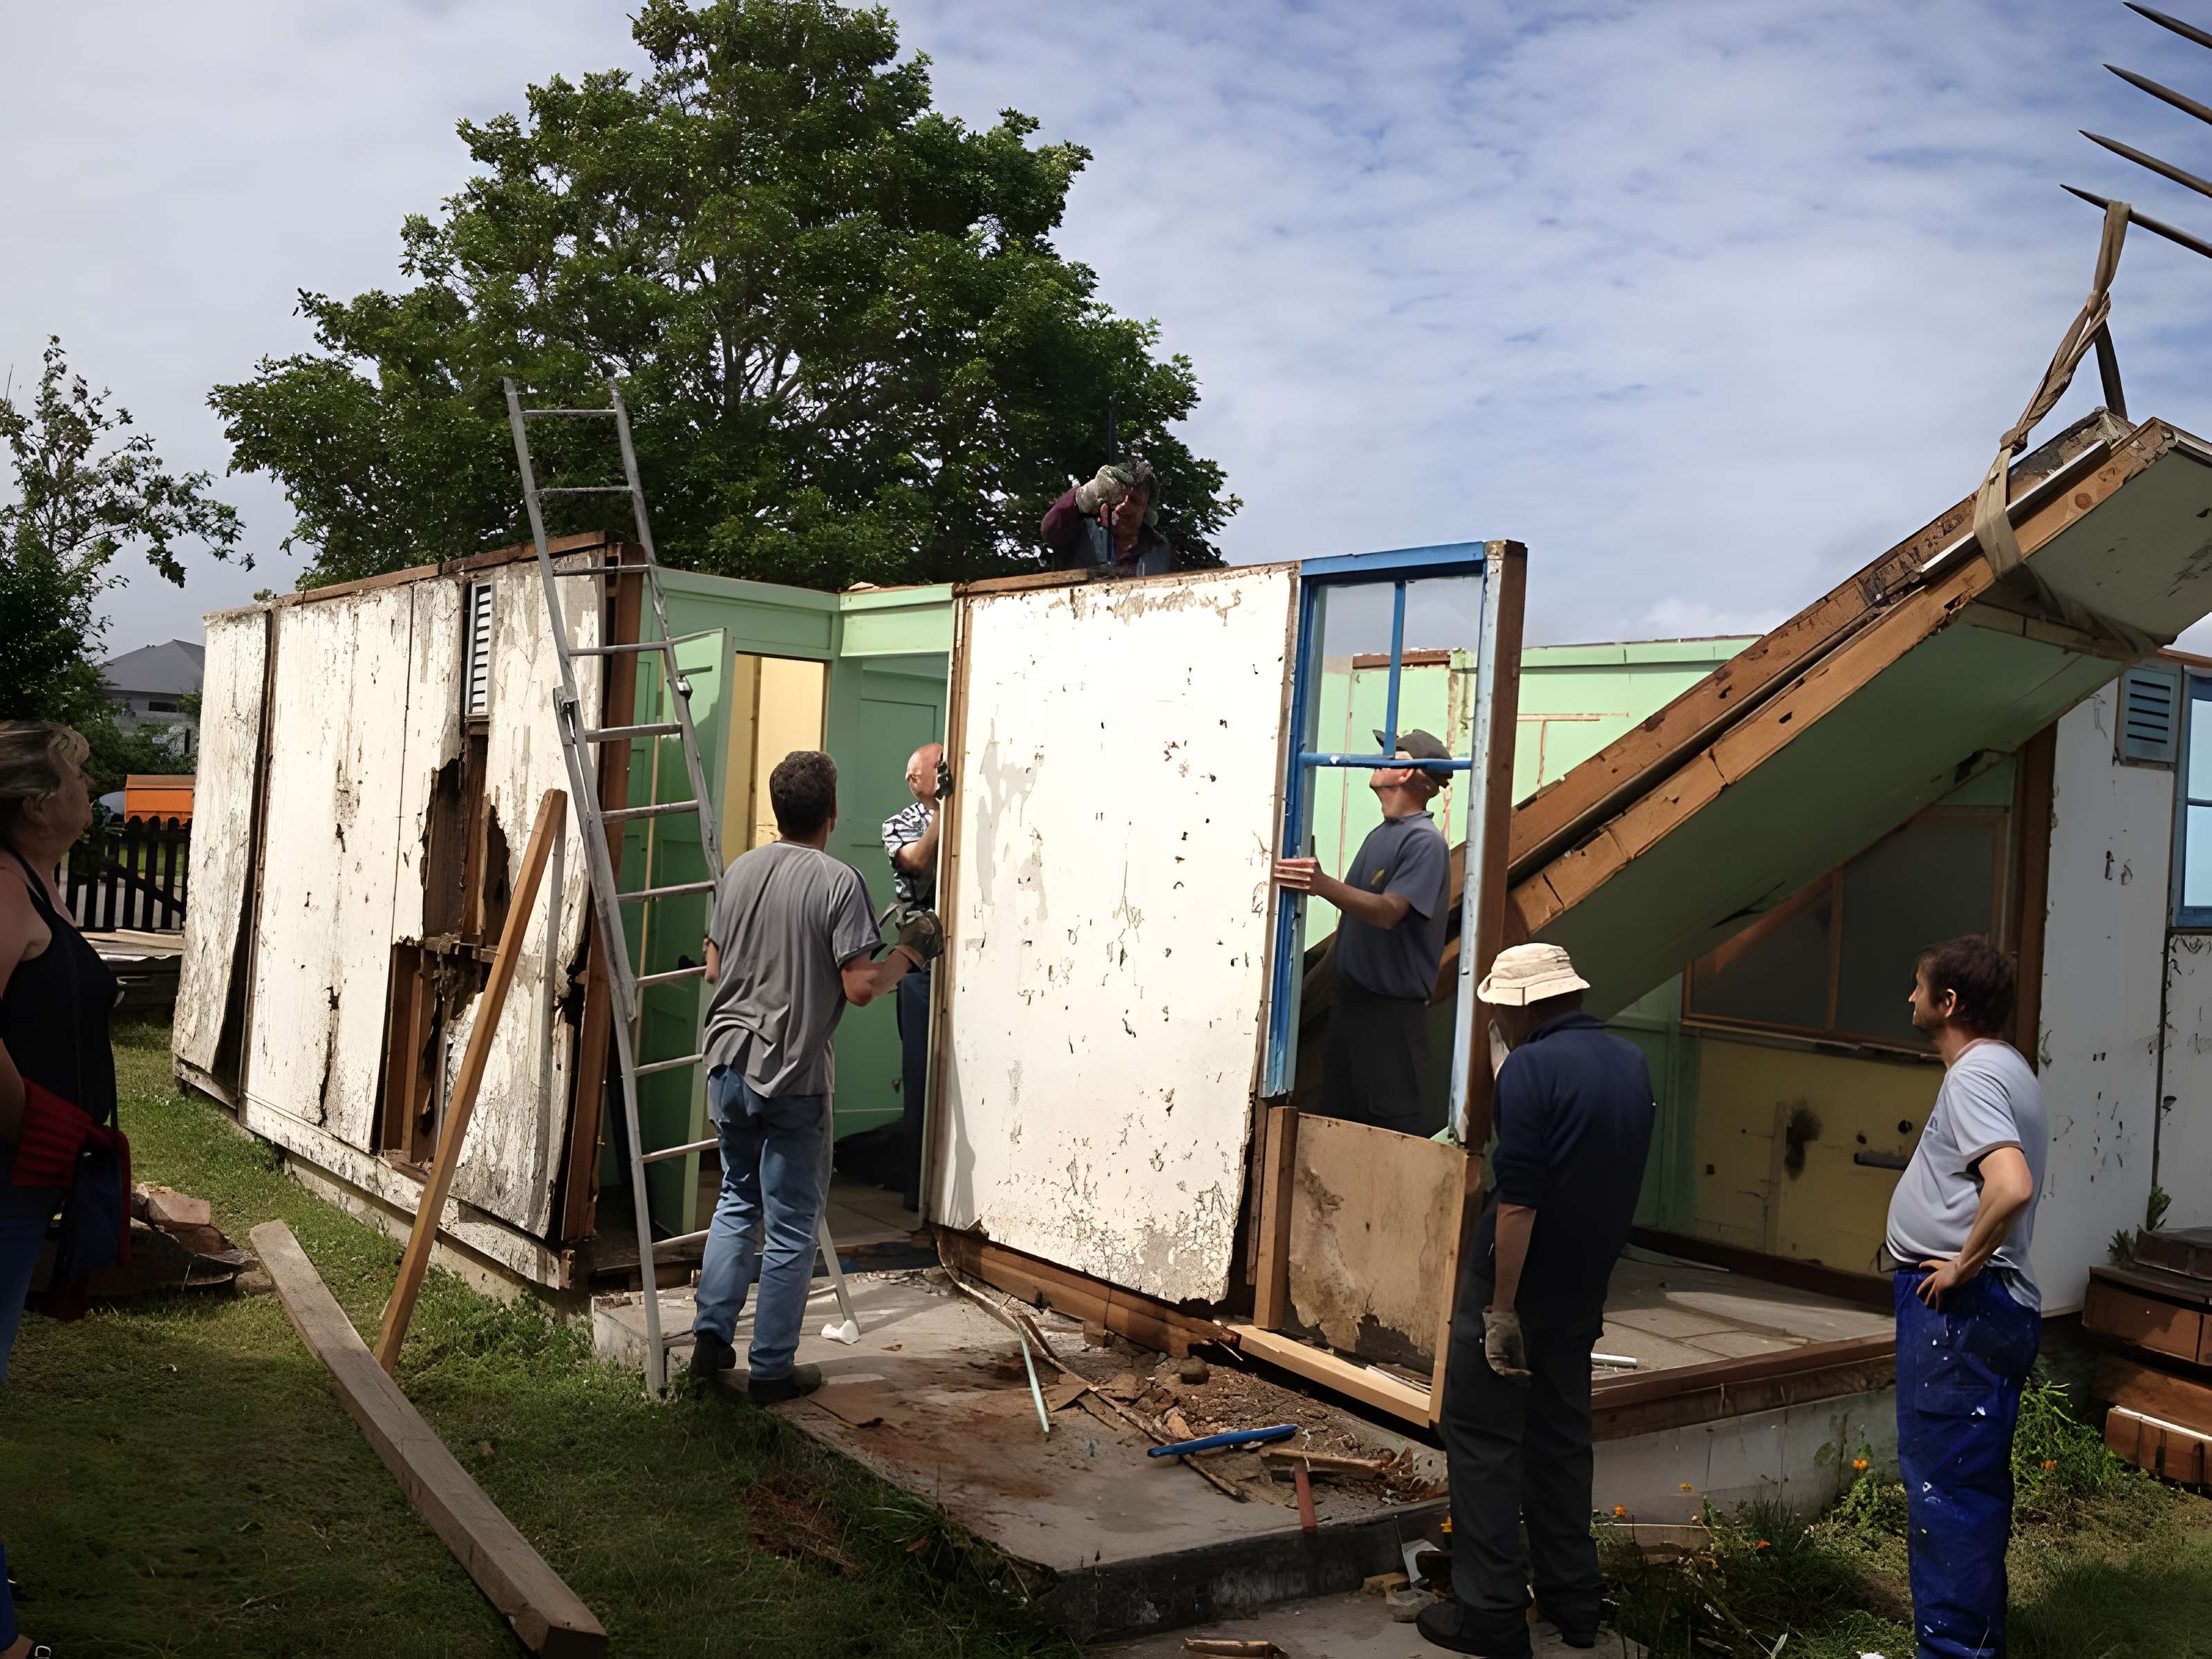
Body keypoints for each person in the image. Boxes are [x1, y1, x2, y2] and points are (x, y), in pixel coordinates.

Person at [1421, 942, 1653, 1658]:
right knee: (1559, 1440)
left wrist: (1499, 1308)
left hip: (1520, 1282)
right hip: (1581, 1286)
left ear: (1519, 1006)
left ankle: (1489, 1615)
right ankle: (1574, 1604)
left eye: (1499, 1007)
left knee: (1485, 1439)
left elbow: (1518, 1200)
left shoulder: (1530, 1067)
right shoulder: (1630, 1063)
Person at [690, 749, 937, 1400]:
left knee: (737, 1200)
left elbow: (715, 970)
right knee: (794, 1223)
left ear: (779, 813)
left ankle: (710, 1342)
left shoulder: (739, 872)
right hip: (791, 1075)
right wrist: (912, 951)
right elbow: (861, 988)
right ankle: (771, 1371)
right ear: (830, 814)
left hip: (726, 1064)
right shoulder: (838, 881)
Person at [1884, 935, 2045, 1659]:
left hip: (1961, 1314)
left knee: (1947, 1492)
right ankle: (1969, 1643)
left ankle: (1954, 1652)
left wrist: (1958, 1267)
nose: (1908, 1001)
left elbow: (2009, 1184)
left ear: (1946, 1003)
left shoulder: (1973, 1076)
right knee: (1965, 1487)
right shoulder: (2005, 1065)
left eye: (1917, 989)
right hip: (1981, 1311)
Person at [1, 722, 118, 1659]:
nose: (94, 786)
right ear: (38, 803)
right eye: (79, 775)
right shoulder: (3, 887)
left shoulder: (35, 883)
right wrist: (29, 1119)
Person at [1271, 729, 1453, 1136]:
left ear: (1407, 773)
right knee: (1343, 1122)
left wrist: (1321, 884)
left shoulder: (1424, 843)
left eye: (1392, 754)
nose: (1379, 759)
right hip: (1352, 1008)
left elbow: (1390, 912)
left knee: (1388, 1132)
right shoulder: (1383, 834)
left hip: (1388, 1017)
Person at [880, 742, 948, 1212]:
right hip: (921, 958)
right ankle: (916, 1190)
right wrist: (943, 813)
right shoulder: (898, 823)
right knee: (920, 1070)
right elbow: (918, 864)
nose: (912, 777)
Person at [1040, 458, 1176, 577]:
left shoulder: (1161, 549)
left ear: (1147, 511)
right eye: (1118, 496)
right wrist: (1087, 495)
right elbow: (1050, 530)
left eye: (1134, 501)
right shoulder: (1078, 529)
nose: (1123, 506)